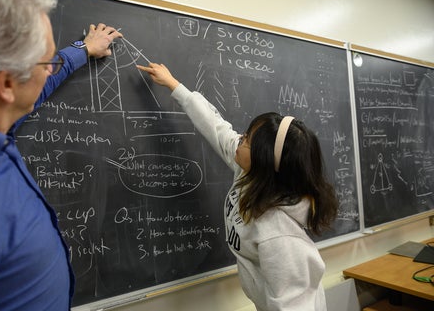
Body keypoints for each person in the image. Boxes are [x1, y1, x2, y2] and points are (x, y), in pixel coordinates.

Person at [0, 0, 122, 310]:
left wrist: (81, 50)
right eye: (48, 61)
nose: (51, 68)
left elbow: (35, 88)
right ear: (5, 84)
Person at [137, 63, 338, 310]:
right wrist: (174, 85)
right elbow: (217, 128)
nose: (239, 139)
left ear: (263, 161)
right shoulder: (253, 174)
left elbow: (294, 306)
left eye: (246, 140)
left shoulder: (279, 235)